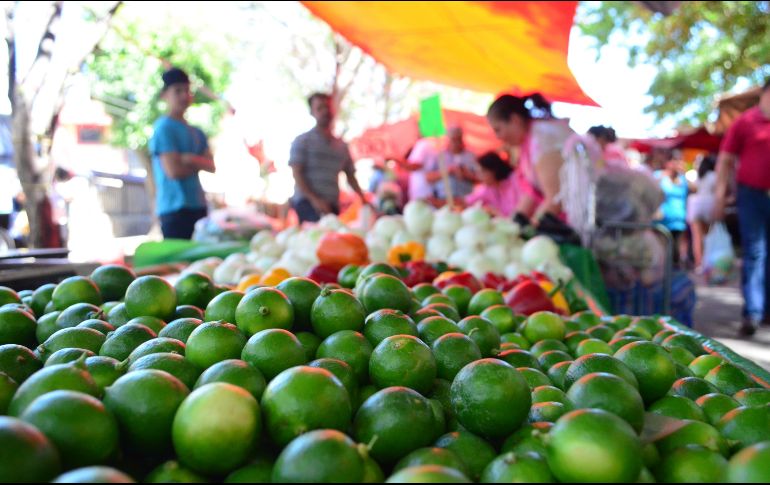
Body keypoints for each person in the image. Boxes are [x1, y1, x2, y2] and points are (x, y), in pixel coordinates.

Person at [714, 77, 770, 336]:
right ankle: (753, 312)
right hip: (751, 195)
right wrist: (719, 195)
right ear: (764, 94)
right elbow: (725, 160)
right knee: (755, 252)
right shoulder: (746, 121)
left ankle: (766, 309)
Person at [486, 93, 579, 234]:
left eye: (498, 129)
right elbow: (531, 193)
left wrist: (529, 232)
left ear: (515, 120)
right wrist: (512, 226)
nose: (498, 137)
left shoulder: (543, 138)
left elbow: (556, 198)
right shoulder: (528, 142)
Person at [149, 67, 215, 239]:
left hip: (199, 206)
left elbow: (212, 166)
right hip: (174, 210)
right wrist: (197, 163)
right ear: (165, 95)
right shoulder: (164, 128)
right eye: (177, 91)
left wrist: (188, 159)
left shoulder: (197, 132)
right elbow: (173, 171)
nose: (184, 96)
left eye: (187, 90)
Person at [289, 93, 366, 223]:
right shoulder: (302, 141)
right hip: (307, 204)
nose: (325, 111)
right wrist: (315, 200)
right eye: (320, 108)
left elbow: (351, 176)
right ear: (312, 112)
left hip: (332, 206)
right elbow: (297, 174)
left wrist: (363, 199)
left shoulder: (342, 146)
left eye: (327, 107)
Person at [654, 153, 692, 267]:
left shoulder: (682, 179)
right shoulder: (658, 176)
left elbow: (694, 190)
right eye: (675, 161)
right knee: (663, 251)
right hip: (662, 220)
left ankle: (673, 276)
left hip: (679, 220)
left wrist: (685, 174)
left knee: (676, 252)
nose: (678, 164)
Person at [425, 126, 478, 202]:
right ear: (448, 139)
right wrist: (448, 171)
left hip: (465, 199)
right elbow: (428, 177)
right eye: (453, 139)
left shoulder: (471, 156)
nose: (456, 143)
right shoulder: (439, 156)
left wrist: (466, 174)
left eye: (458, 139)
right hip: (443, 199)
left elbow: (480, 179)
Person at [686, 155, 718, 273]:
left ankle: (699, 264)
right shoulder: (714, 176)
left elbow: (692, 188)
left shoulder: (695, 176)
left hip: (696, 206)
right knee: (708, 237)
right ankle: (708, 263)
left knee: (697, 238)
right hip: (709, 206)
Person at [464, 151, 518, 217]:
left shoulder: (514, 181)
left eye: (482, 172)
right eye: (478, 172)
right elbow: (468, 201)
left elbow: (516, 215)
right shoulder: (489, 188)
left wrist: (495, 212)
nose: (478, 176)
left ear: (493, 171)